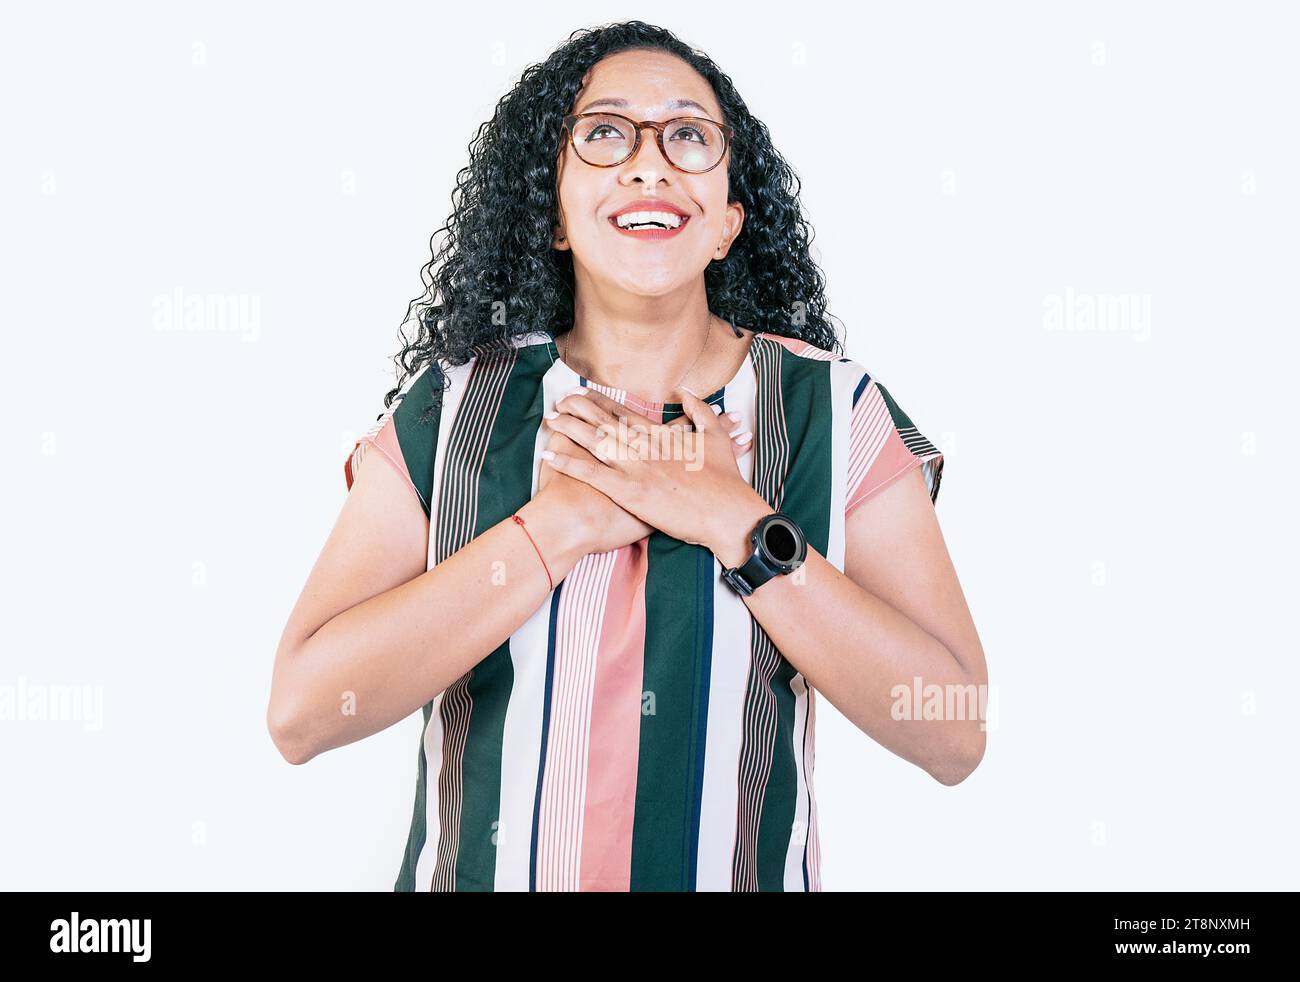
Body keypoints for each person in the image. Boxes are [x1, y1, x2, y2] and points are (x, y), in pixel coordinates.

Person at [268, 20, 988, 892]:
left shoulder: (834, 411)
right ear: (557, 214)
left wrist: (735, 521)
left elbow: (954, 732)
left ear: (727, 222)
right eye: (604, 133)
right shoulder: (452, 409)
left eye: (688, 135)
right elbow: (303, 713)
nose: (650, 163)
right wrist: (556, 527)